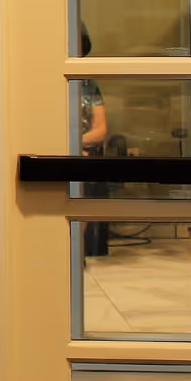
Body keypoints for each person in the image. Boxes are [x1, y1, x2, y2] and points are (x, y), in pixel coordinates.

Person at [75, 27, 112, 258]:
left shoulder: (89, 85)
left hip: (81, 154)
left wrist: (76, 144)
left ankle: (74, 251)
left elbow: (100, 131)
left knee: (84, 175)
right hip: (52, 151)